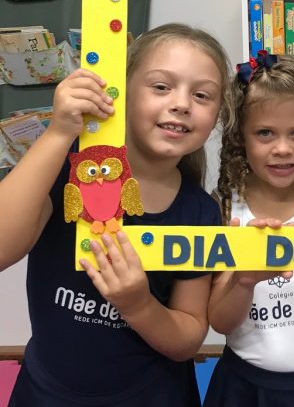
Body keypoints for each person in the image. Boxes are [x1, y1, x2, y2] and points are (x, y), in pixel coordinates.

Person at [0, 23, 231, 407]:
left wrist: (139, 305)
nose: (182, 103)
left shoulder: (200, 211)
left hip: (153, 396)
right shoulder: (68, 167)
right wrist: (59, 133)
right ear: (120, 91)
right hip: (47, 394)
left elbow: (188, 338)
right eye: (162, 86)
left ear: (217, 114)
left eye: (201, 95)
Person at [204, 53, 294, 407]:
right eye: (265, 133)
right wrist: (243, 280)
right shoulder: (225, 204)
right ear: (241, 136)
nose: (282, 149)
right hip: (244, 388)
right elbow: (221, 322)